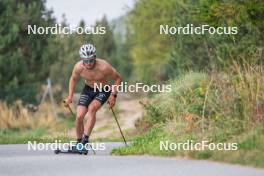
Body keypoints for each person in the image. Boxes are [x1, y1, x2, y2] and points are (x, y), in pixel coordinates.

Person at [64, 43, 122, 149]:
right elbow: (73, 79)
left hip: (103, 89)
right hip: (88, 89)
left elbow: (118, 78)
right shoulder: (78, 67)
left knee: (92, 109)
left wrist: (113, 96)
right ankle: (79, 143)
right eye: (86, 61)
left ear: (95, 57)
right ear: (82, 59)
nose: (89, 63)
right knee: (79, 116)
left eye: (91, 60)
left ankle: (85, 140)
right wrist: (70, 97)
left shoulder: (104, 67)